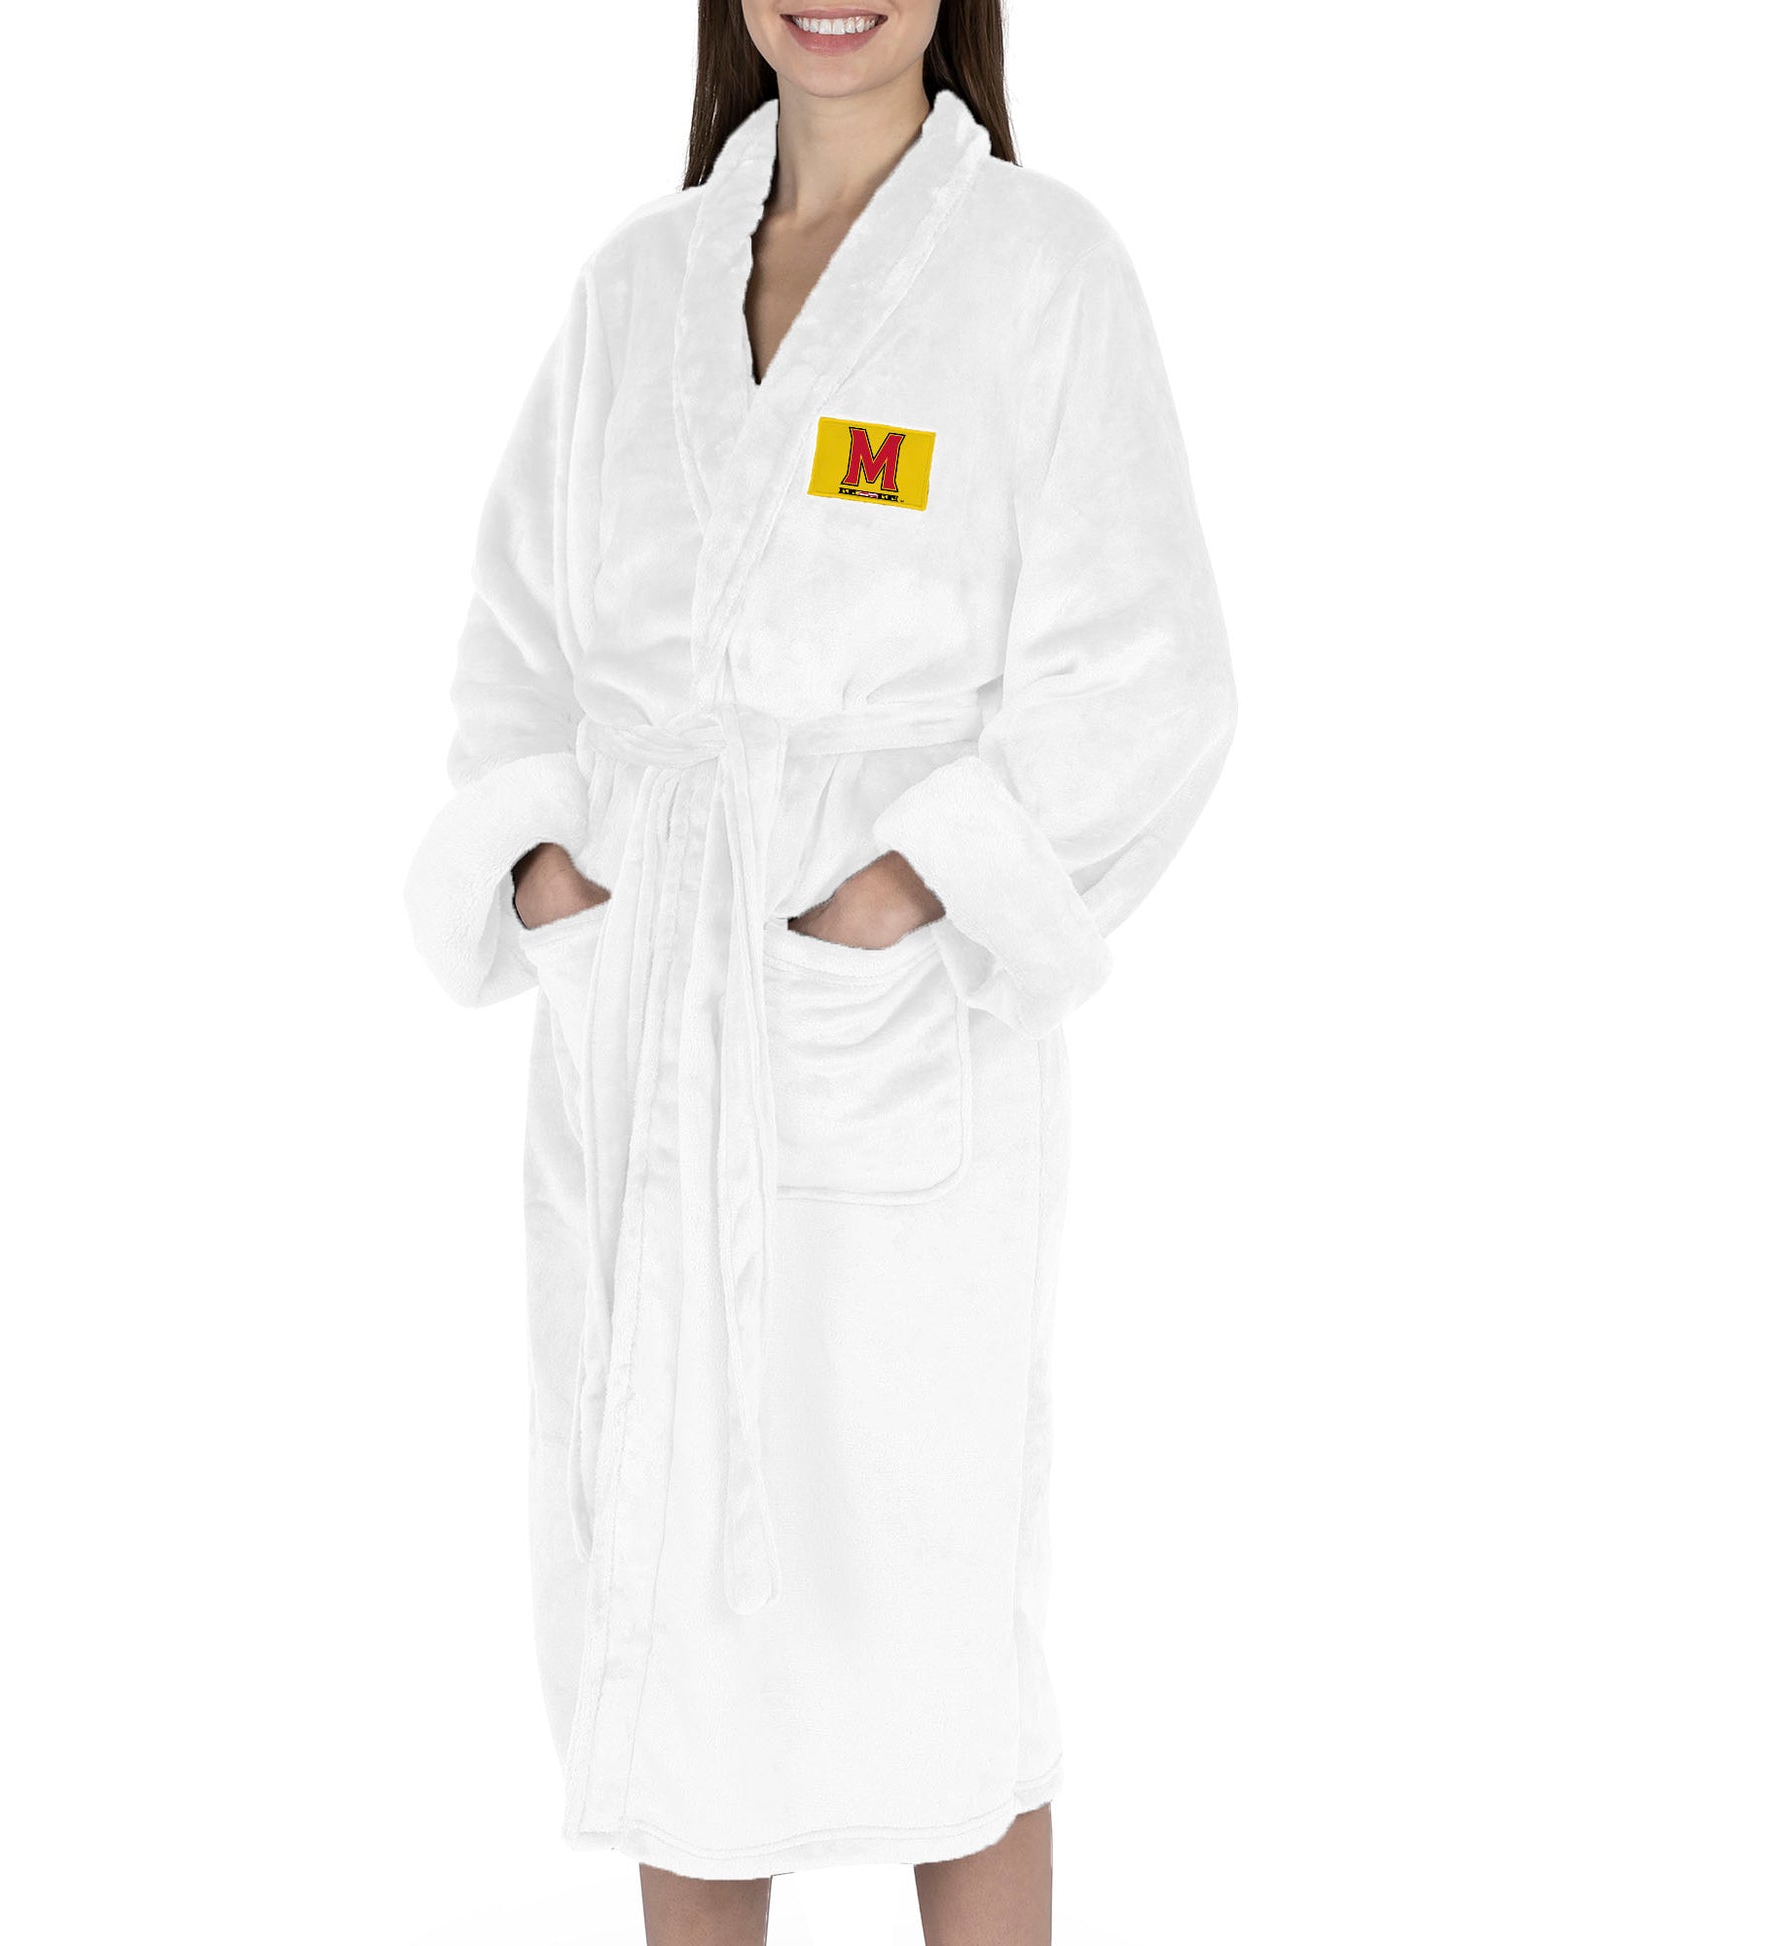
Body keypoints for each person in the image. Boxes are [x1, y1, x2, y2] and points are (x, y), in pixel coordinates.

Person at [405, 2, 1236, 1939]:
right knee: (674, 1630)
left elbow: (1153, 673)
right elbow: (513, 645)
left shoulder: (1037, 272)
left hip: (891, 1051)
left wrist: (914, 889)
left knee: (939, 1638)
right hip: (651, 1035)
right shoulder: (632, 290)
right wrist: (551, 876)